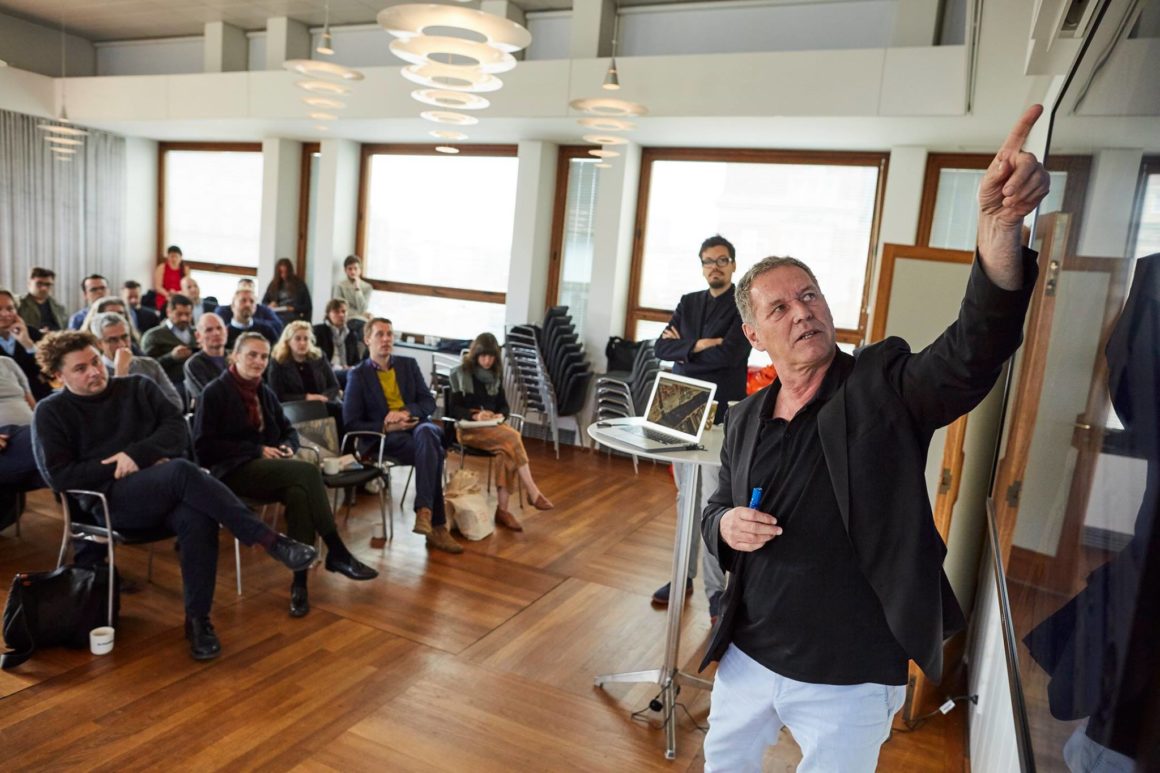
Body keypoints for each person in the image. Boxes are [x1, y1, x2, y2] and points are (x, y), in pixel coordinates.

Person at [698, 105, 1051, 771]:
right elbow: (715, 507)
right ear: (754, 334)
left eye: (810, 295)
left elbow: (971, 352)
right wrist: (724, 526)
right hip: (749, 653)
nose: (802, 311)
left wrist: (999, 233)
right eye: (780, 307)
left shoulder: (880, 386)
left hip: (849, 672)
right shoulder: (745, 417)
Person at [31, 330, 318, 661]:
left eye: (96, 361)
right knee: (182, 470)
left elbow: (178, 430)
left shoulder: (137, 387)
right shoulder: (51, 411)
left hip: (162, 491)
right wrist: (124, 465)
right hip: (110, 503)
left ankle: (198, 621)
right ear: (58, 375)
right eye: (81, 369)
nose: (95, 371)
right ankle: (270, 541)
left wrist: (137, 455)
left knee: (198, 516)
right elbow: (59, 475)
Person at [194, 332, 378, 618]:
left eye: (264, 357)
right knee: (307, 472)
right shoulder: (214, 392)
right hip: (231, 472)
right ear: (236, 356)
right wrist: (256, 450)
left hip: (268, 469)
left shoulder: (263, 391)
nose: (258, 361)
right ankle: (337, 550)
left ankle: (299, 584)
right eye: (252, 355)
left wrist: (287, 446)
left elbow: (288, 430)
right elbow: (203, 448)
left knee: (299, 494)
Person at [650, 234, 751, 619]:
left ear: (733, 265)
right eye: (708, 261)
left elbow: (732, 354)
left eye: (722, 260)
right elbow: (660, 348)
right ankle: (681, 577)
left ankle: (715, 591)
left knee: (711, 503)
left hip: (719, 414)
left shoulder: (743, 305)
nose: (715, 267)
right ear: (702, 265)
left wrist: (686, 351)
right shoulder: (689, 302)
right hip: (679, 408)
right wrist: (700, 345)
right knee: (685, 501)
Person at [344, 317, 462, 554]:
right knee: (434, 451)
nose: (386, 339)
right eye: (380, 334)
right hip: (386, 438)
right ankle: (436, 525)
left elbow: (428, 402)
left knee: (427, 432)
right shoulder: (358, 375)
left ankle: (425, 513)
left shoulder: (408, 365)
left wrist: (406, 412)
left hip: (417, 428)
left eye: (389, 334)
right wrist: (387, 426)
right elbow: (351, 422)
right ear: (367, 340)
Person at [448, 333, 553, 531]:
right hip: (468, 430)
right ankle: (532, 491)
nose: (487, 361)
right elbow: (453, 409)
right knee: (513, 437)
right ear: (475, 355)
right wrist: (476, 415)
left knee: (506, 452)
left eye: (491, 356)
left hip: (493, 429)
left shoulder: (495, 377)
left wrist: (498, 415)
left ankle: (502, 510)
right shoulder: (461, 373)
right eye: (483, 356)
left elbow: (504, 407)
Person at [90, 311, 183, 411]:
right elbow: (112, 412)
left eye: (125, 337)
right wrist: (121, 372)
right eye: (113, 340)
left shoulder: (149, 365)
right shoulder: (95, 374)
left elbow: (176, 404)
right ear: (99, 344)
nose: (122, 344)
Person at [267, 321, 344, 434]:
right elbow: (277, 395)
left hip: (323, 404)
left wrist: (322, 398)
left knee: (342, 410)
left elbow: (334, 386)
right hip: (295, 408)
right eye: (297, 339)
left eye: (306, 339)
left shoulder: (319, 357)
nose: (302, 343)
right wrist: (307, 397)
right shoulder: (278, 362)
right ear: (288, 341)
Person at [0, 356, 45, 499]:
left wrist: (46, 424)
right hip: (5, 438)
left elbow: (31, 402)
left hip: (29, 431)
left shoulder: (7, 362)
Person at [141, 294, 198, 395]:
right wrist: (171, 357)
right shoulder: (153, 336)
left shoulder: (197, 333)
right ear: (168, 312)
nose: (184, 318)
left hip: (196, 380)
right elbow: (146, 368)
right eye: (179, 314)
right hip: (169, 385)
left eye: (188, 314)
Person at [0, 288, 50, 401]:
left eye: (10, 308)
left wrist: (28, 344)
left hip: (41, 398)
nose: (5, 314)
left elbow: (50, 373)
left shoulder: (32, 333)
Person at [313, 298, 365, 389]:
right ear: (328, 314)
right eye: (336, 312)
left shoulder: (351, 334)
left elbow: (356, 360)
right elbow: (315, 358)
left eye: (344, 311)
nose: (341, 315)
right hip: (328, 370)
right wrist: (338, 367)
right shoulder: (319, 330)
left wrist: (352, 367)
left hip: (347, 370)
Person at [184, 313, 229, 406]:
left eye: (219, 328)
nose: (216, 333)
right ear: (198, 336)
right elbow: (209, 396)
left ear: (226, 331)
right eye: (209, 330)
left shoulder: (237, 357)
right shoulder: (194, 364)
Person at [215, 278, 284, 335]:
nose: (248, 304)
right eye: (243, 300)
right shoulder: (222, 312)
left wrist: (252, 322)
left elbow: (278, 326)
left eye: (251, 301)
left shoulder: (264, 311)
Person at [262, 258, 312, 324]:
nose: (284, 275)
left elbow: (307, 306)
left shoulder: (299, 284)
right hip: (277, 315)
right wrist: (270, 305)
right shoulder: (273, 284)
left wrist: (293, 308)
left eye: (286, 272)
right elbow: (263, 303)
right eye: (281, 272)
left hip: (294, 316)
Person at [17, 267, 67, 333]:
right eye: (39, 284)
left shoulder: (59, 308)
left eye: (48, 285)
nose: (44, 288)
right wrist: (37, 332)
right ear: (29, 284)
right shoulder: (18, 304)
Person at [333, 254, 373, 320]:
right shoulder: (340, 286)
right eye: (350, 269)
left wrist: (357, 289)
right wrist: (362, 314)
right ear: (345, 270)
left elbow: (363, 308)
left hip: (362, 319)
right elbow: (339, 308)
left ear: (360, 270)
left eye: (355, 268)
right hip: (346, 318)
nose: (353, 272)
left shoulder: (368, 287)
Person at [153, 244, 190, 311]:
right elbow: (158, 286)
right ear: (168, 256)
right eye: (172, 256)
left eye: (176, 256)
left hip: (180, 295)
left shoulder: (185, 269)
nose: (174, 259)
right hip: (164, 296)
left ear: (181, 257)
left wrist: (177, 294)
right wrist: (168, 294)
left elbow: (187, 287)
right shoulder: (161, 267)